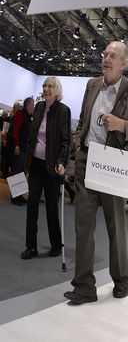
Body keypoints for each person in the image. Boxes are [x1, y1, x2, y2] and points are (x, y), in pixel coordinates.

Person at [65, 41, 128, 305]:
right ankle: (84, 287)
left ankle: (122, 279)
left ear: (124, 63)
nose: (106, 59)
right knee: (83, 226)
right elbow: (83, 121)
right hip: (87, 161)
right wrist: (78, 144)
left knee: (115, 226)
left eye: (112, 56)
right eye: (105, 54)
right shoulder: (92, 85)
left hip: (113, 165)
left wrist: (122, 125)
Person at [21, 79, 71, 260]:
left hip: (52, 168)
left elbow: (66, 141)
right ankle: (31, 246)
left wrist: (62, 162)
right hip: (35, 165)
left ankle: (56, 244)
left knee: (51, 207)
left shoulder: (62, 110)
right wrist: (26, 163)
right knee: (32, 204)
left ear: (57, 91)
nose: (46, 89)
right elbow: (32, 137)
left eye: (50, 86)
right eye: (44, 86)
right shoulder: (40, 107)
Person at [10, 97, 34, 205]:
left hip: (26, 149)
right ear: (28, 105)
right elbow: (15, 130)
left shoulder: (29, 117)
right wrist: (17, 145)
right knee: (16, 172)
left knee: (22, 172)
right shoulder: (20, 114)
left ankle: (19, 195)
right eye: (33, 105)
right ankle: (14, 197)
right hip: (19, 148)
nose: (33, 107)